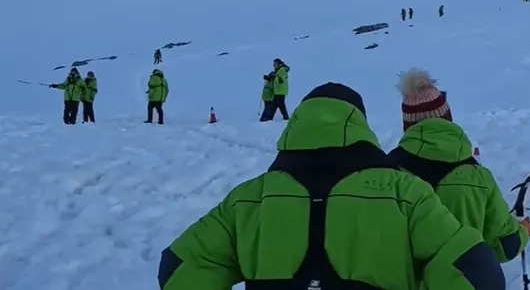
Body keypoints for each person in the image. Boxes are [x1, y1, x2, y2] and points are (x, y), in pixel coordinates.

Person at [157, 82, 504, 290]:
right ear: (359, 127)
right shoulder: (405, 193)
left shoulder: (249, 199)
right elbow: (474, 269)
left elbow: (180, 264)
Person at [388, 68, 530, 265]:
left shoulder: (385, 173)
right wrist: (525, 230)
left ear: (407, 124)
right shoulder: (478, 178)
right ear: (447, 117)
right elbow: (504, 246)